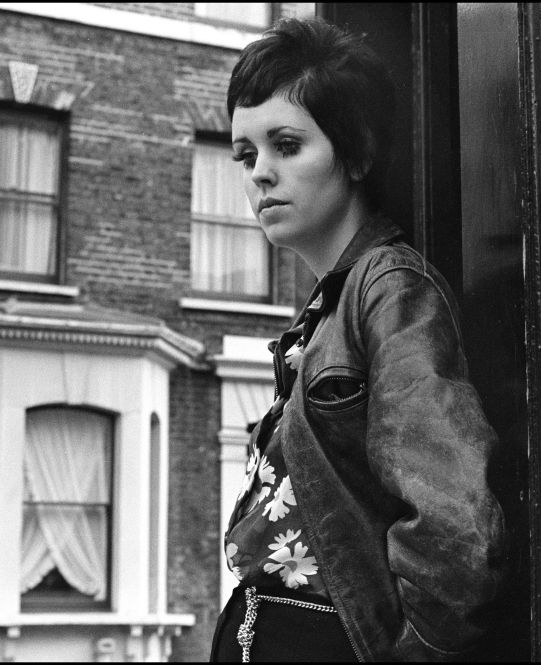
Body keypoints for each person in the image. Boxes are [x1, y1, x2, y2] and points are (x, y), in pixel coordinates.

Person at [210, 16, 506, 662]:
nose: (260, 173)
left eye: (286, 145)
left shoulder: (390, 288)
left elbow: (456, 531)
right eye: (247, 154)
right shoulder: (328, 307)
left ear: (356, 154)